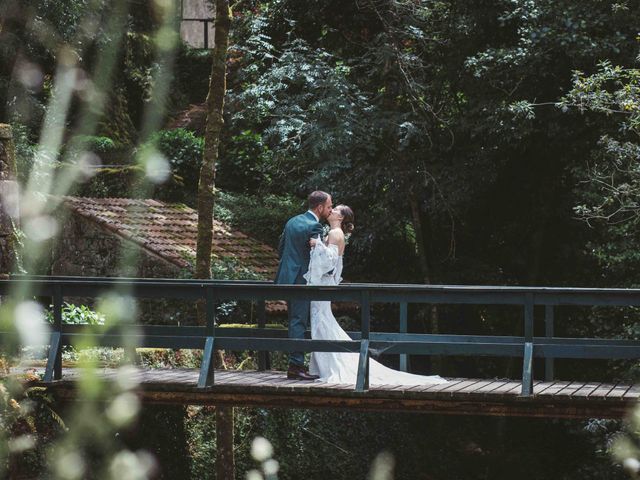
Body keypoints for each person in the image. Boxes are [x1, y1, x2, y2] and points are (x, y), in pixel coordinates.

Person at [305, 205, 447, 386]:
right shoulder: (333, 233)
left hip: (322, 284)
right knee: (322, 320)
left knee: (322, 320)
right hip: (322, 284)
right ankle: (323, 365)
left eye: (336, 210)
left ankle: (330, 365)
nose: (331, 210)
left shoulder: (335, 234)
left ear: (340, 218)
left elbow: (329, 262)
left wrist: (318, 245)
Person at [274, 190, 333, 380]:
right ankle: (296, 366)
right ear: (320, 207)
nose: (330, 210)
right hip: (302, 280)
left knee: (295, 319)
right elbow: (318, 259)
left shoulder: (292, 221)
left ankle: (295, 363)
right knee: (299, 321)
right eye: (329, 206)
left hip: (287, 277)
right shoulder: (315, 226)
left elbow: (281, 248)